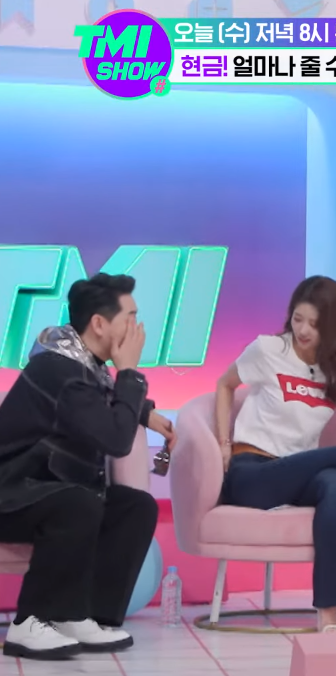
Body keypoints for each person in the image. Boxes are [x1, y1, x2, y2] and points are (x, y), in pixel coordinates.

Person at [0, 273, 172, 660]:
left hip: (43, 491)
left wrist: (144, 412)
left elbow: (96, 400)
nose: (137, 329)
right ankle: (29, 623)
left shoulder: (81, 366)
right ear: (99, 323)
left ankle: (83, 615)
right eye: (130, 317)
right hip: (11, 492)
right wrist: (130, 373)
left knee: (135, 506)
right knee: (78, 502)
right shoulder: (59, 370)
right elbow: (113, 438)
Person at [215, 276, 336, 632]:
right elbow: (225, 384)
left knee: (335, 484)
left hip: (296, 474)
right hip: (252, 472)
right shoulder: (269, 350)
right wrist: (224, 442)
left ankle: (329, 612)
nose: (303, 330)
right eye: (298, 319)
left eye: (314, 323)